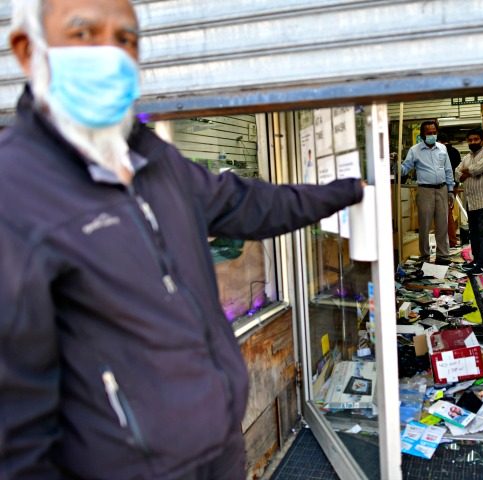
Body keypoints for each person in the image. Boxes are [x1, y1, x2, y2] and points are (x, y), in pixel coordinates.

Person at [0, 1, 364, 479]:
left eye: (126, 38)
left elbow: (253, 205)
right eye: (84, 33)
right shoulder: (16, 192)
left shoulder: (155, 161)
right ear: (29, 50)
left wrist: (349, 191)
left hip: (219, 450)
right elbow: (14, 416)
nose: (111, 53)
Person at [401, 120, 454, 264]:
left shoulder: (442, 148)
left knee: (443, 224)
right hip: (425, 191)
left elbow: (448, 170)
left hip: (442, 189)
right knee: (424, 225)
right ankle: (424, 256)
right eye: (429, 133)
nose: (432, 135)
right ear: (423, 135)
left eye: (434, 133)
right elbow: (405, 168)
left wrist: (450, 190)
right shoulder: (414, 150)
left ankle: (443, 255)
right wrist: (394, 166)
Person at [455, 128, 483, 275]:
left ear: (482, 140)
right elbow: (457, 173)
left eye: (476, 139)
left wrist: (468, 172)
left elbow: (477, 169)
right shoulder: (466, 157)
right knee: (474, 234)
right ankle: (476, 260)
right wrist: (467, 172)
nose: (473, 142)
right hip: (471, 202)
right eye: (470, 140)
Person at [437, 132, 461, 247]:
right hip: (454, 185)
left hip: (444, 185)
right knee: (448, 212)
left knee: (446, 213)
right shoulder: (455, 152)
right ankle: (451, 240)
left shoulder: (440, 151)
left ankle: (451, 241)